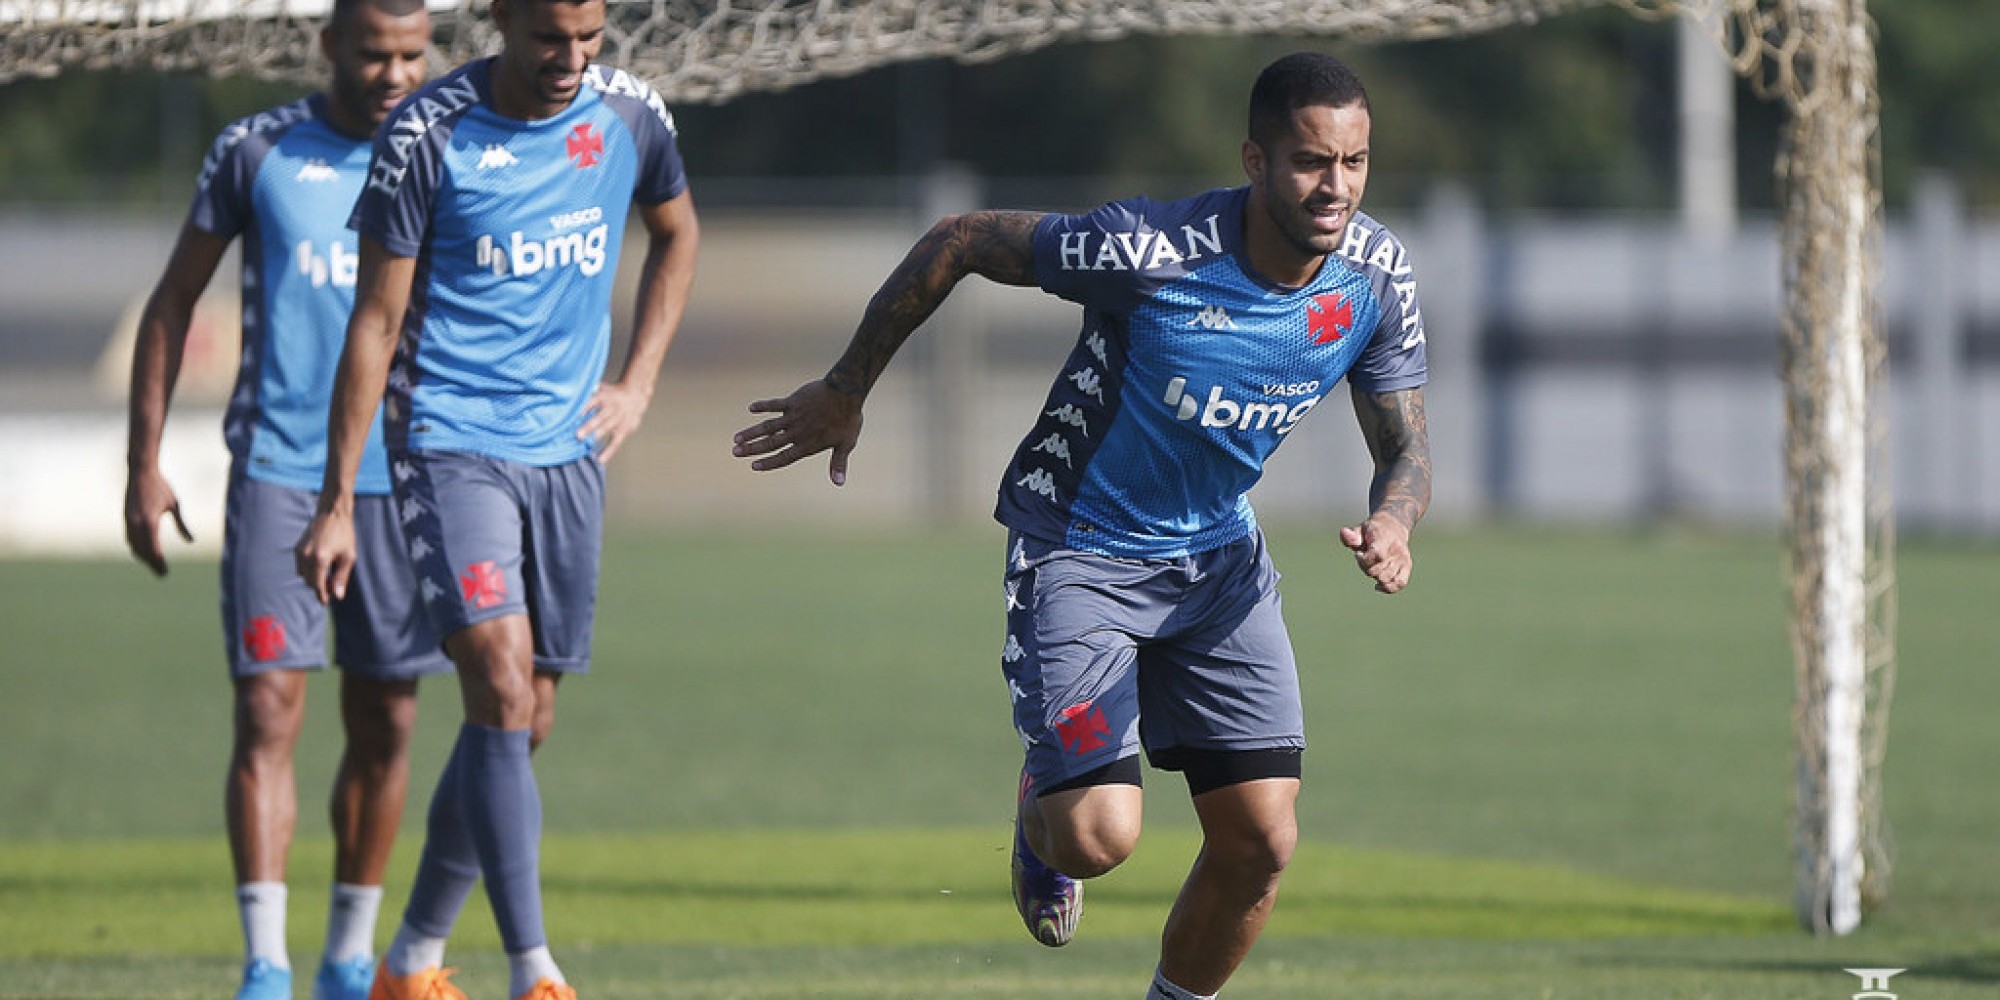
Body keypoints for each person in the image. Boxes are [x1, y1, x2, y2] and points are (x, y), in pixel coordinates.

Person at [733, 51, 1430, 1000]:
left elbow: (1406, 450)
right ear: (1255, 161)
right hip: (1081, 549)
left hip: (1219, 561)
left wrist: (1393, 519)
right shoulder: (1149, 253)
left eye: (1353, 163)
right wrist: (847, 387)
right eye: (1312, 161)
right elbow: (963, 237)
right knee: (1099, 838)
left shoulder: (1376, 278)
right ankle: (1039, 818)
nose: (1335, 186)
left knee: (1263, 841)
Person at [293, 0, 699, 995]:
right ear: (498, 21)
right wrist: (339, 497)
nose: (570, 59)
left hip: (566, 453)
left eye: (589, 37)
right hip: (447, 441)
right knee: (502, 686)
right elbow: (374, 323)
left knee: (521, 718)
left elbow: (677, 234)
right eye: (548, 38)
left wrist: (637, 380)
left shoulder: (631, 115)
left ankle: (413, 960)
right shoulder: (426, 134)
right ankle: (535, 969)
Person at [122, 3, 442, 998]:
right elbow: (173, 299)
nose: (393, 75)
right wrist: (145, 458)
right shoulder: (253, 149)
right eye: (372, 55)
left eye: (410, 55)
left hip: (404, 479)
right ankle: (264, 965)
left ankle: (348, 958)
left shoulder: (450, 152)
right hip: (278, 474)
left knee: (386, 721)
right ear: (328, 48)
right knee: (268, 709)